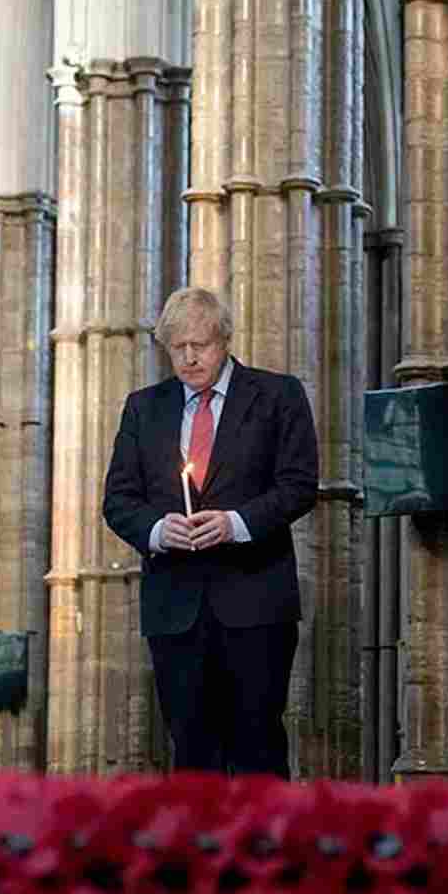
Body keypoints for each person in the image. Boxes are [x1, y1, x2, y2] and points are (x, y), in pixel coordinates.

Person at [102, 286, 318, 778]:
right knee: (191, 751)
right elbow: (118, 501)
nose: (189, 358)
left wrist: (234, 524)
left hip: (255, 601)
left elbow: (300, 485)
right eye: (177, 348)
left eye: (199, 345)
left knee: (258, 746)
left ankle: (265, 830)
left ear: (224, 340)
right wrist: (159, 530)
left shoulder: (277, 396)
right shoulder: (144, 408)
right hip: (175, 608)